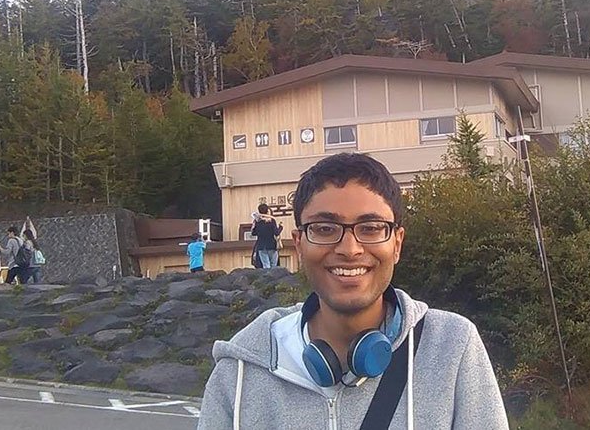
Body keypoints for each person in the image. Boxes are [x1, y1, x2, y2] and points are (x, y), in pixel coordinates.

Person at [198, 153, 509, 429]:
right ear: (299, 244)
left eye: (371, 228)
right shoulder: (239, 372)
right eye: (324, 228)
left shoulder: (451, 346)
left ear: (397, 243)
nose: (350, 249)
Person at [250, 203, 282, 269]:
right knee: (273, 265)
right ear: (267, 211)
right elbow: (276, 233)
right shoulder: (272, 220)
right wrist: (281, 227)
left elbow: (253, 233)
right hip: (272, 245)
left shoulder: (257, 221)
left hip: (261, 246)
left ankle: (267, 278)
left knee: (266, 265)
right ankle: (274, 278)